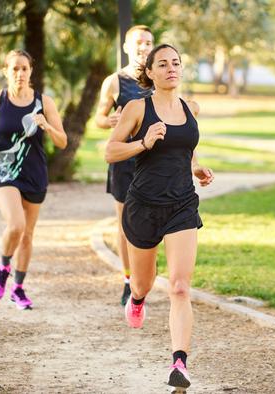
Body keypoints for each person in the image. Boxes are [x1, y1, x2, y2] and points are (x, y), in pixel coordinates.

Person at [105, 44, 214, 392]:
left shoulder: (191, 108)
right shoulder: (138, 108)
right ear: (150, 73)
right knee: (144, 283)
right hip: (144, 205)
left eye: (176, 63)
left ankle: (179, 363)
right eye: (163, 64)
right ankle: (136, 300)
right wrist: (143, 143)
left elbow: (188, 151)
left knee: (180, 286)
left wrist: (197, 168)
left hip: (182, 204)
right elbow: (110, 151)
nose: (171, 68)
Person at [0, 49, 67, 310]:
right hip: (2, 172)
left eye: (24, 68)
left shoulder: (44, 103)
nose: (20, 73)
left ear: (31, 71)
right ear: (6, 71)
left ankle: (18, 288)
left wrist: (47, 126)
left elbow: (62, 141)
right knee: (16, 224)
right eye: (14, 68)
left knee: (27, 236)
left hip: (34, 174)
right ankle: (3, 268)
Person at [95, 25, 154, 306]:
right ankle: (128, 281)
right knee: (124, 223)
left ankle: (146, 278)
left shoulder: (159, 77)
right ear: (127, 47)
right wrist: (109, 122)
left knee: (153, 221)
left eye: (149, 43)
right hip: (123, 161)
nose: (144, 48)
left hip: (153, 161)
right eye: (139, 43)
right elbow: (99, 117)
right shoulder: (115, 82)